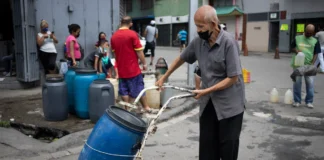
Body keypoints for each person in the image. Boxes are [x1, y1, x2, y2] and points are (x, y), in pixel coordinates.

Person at [156, 5, 245, 160]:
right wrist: (164, 77)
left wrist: (205, 90)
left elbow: (233, 78)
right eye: (196, 26)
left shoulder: (228, 43)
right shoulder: (199, 42)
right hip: (208, 103)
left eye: (201, 26)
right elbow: (182, 58)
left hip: (230, 106)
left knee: (227, 151)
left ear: (213, 24)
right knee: (207, 150)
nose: (198, 30)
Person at [111, 16, 154, 113]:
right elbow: (139, 52)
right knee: (139, 87)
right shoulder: (132, 34)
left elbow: (115, 55)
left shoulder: (114, 37)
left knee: (124, 89)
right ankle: (146, 107)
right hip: (133, 69)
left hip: (122, 70)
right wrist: (144, 64)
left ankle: (127, 109)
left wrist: (117, 68)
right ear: (130, 23)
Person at [291, 24, 321, 108]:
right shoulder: (298, 38)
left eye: (310, 33)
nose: (308, 34)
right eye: (307, 32)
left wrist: (313, 63)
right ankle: (297, 101)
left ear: (313, 33)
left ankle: (309, 101)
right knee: (297, 83)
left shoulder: (315, 40)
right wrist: (297, 51)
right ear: (305, 30)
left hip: (309, 65)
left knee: (310, 84)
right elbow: (292, 47)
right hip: (298, 64)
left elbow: (316, 53)